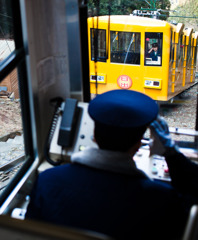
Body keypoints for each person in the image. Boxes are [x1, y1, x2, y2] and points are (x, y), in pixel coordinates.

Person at [25, 89, 198, 240]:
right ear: (138, 144)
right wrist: (172, 152)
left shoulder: (47, 181)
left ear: (94, 135)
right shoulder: (161, 199)